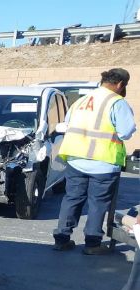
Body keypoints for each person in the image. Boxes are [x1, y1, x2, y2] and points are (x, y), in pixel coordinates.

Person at [53, 68, 136, 255]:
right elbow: (125, 132)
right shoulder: (117, 102)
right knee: (98, 203)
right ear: (120, 84)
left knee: (72, 198)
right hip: (102, 162)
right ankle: (92, 244)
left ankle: (61, 239)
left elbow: (67, 124)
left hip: (75, 159)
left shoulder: (82, 100)